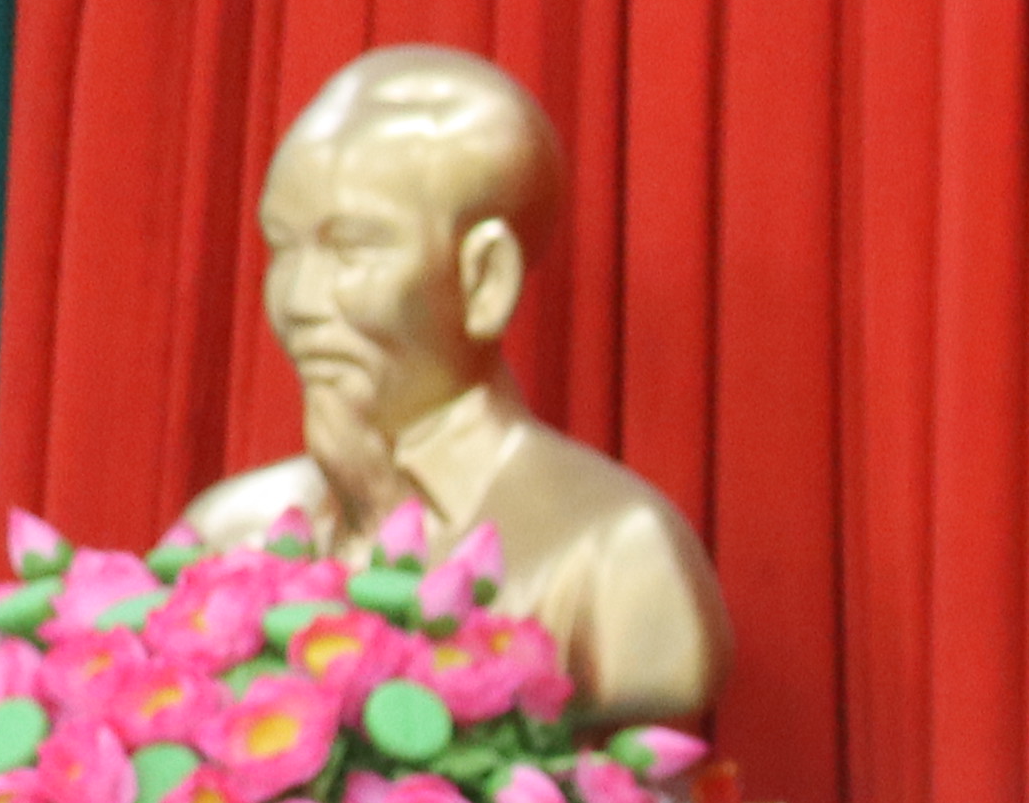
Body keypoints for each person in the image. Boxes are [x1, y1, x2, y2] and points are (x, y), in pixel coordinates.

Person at [172, 44, 734, 721]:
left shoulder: (614, 554)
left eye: (353, 247)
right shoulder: (225, 533)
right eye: (282, 248)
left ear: (485, 279)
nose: (298, 300)